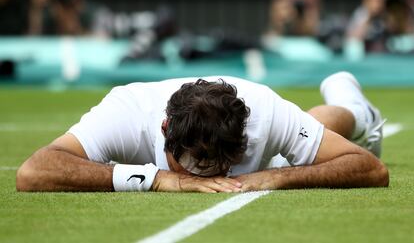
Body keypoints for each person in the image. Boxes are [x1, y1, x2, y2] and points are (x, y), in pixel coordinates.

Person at [16, 72, 389, 193]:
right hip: (156, 160)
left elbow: (371, 168)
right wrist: (158, 179)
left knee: (314, 128)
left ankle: (358, 110)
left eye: (225, 164)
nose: (215, 178)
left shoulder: (265, 112)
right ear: (165, 131)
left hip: (270, 147)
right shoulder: (124, 111)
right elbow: (34, 171)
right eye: (195, 166)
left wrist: (277, 175)